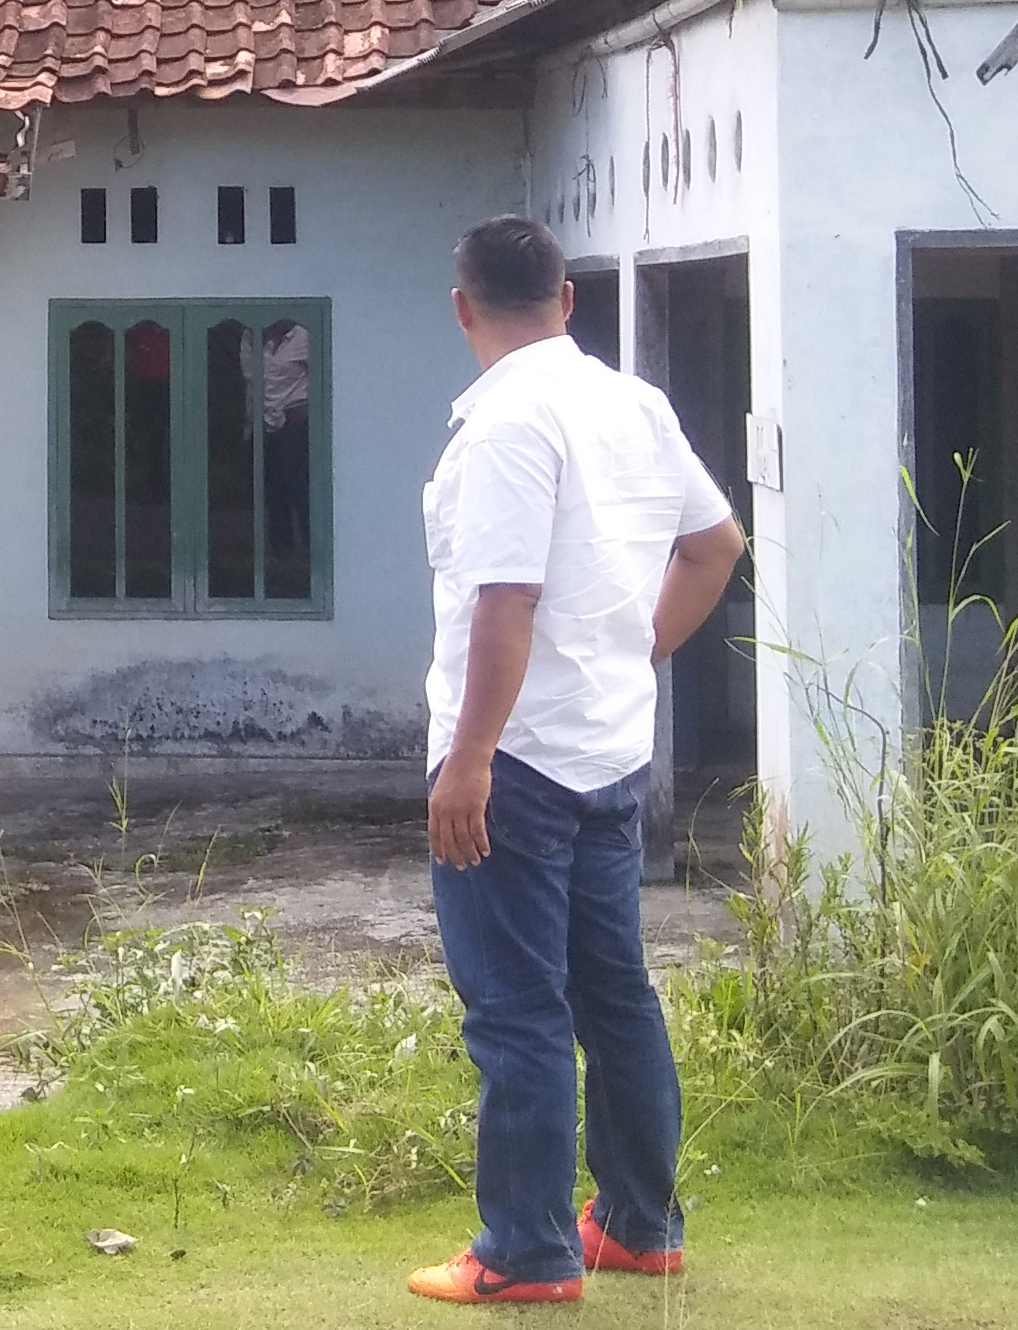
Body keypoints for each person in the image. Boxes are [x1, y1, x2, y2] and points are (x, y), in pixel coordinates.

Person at [406, 216, 751, 1306]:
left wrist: (468, 761)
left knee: (514, 1007)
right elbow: (715, 547)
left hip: (517, 760)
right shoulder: (633, 405)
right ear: (565, 300)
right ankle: (640, 1225)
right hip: (608, 752)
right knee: (614, 994)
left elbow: (505, 601)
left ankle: (524, 1250)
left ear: (462, 308)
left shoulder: (505, 423)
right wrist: (635, 648)